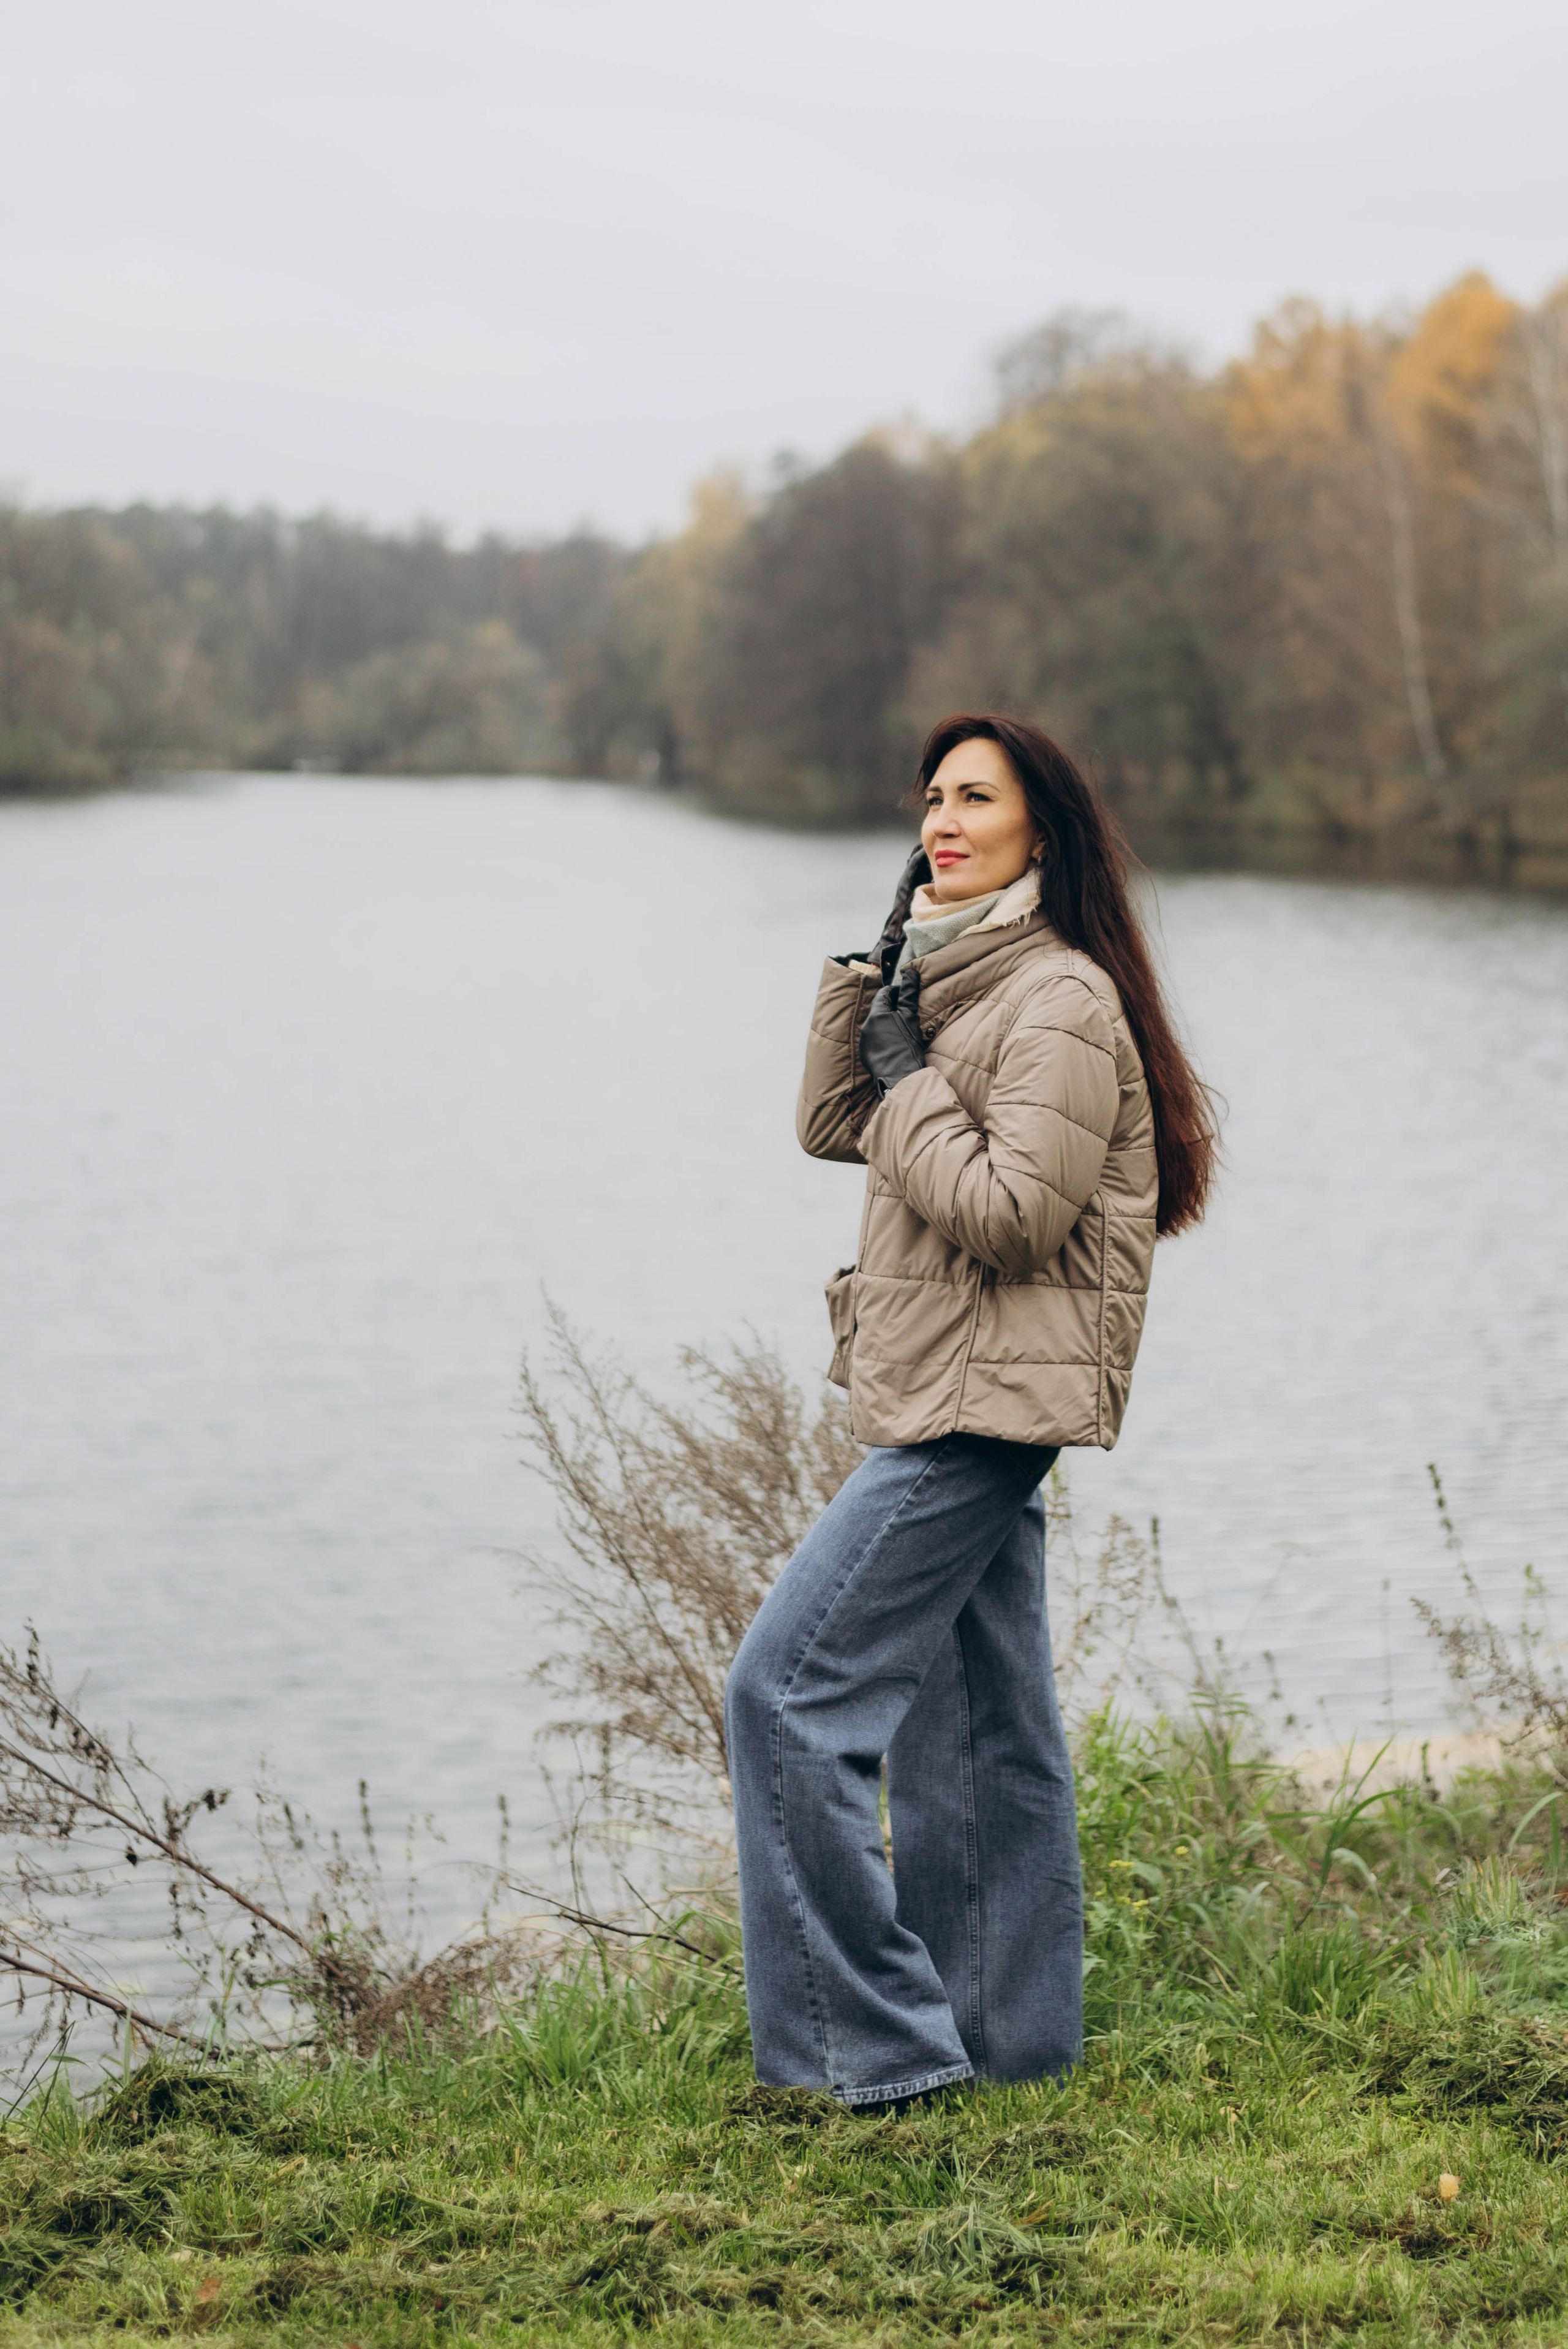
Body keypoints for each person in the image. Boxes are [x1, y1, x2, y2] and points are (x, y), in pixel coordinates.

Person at [724, 711, 1217, 2108]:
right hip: (947, 1388)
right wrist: (877, 976)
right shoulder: (955, 987)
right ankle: (1007, 2051)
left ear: (1038, 835)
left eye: (975, 798)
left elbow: (1007, 1215)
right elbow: (834, 1124)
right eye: (931, 797)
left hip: (977, 1412)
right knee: (978, 1739)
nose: (940, 817)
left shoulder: (1057, 999)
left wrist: (911, 1074)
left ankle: (864, 2057)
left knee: (783, 1698)